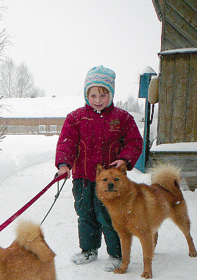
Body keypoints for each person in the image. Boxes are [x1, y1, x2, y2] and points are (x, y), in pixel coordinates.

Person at [55, 65, 143, 272]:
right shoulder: (76, 118)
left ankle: (116, 253)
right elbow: (67, 143)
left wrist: (124, 159)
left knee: (110, 216)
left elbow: (134, 142)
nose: (98, 99)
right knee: (85, 213)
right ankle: (88, 249)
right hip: (84, 178)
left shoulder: (122, 118)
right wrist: (64, 164)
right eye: (93, 94)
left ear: (111, 94)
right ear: (87, 94)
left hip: (112, 181)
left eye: (103, 95)